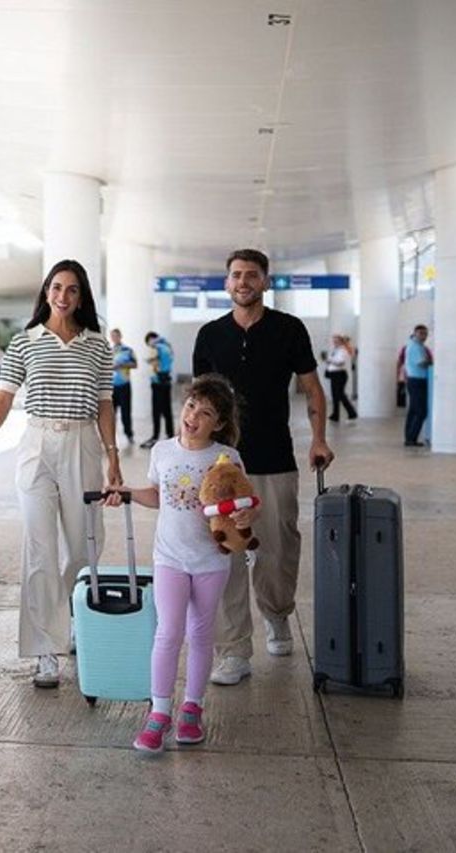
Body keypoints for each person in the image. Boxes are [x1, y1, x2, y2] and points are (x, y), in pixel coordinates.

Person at [0, 259, 121, 688]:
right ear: (46, 292)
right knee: (39, 549)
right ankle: (45, 650)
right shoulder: (25, 341)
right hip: (37, 446)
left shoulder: (97, 346)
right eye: (56, 287)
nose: (62, 296)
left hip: (82, 444)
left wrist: (112, 456)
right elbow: (4, 396)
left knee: (84, 545)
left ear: (82, 296)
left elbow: (105, 403)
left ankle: (70, 618)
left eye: (72, 289)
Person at [191, 248, 333, 686]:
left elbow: (312, 389)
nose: (243, 282)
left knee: (277, 549)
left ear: (266, 282)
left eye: (252, 275)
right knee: (227, 554)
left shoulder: (289, 329)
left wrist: (319, 439)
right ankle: (234, 650)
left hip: (274, 458)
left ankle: (276, 614)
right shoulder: (210, 335)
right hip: (221, 465)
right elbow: (198, 402)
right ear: (227, 283)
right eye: (236, 275)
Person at [105, 375, 257, 754]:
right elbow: (158, 495)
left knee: (201, 635)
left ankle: (192, 709)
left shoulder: (227, 458)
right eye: (191, 406)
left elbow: (244, 503)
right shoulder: (162, 451)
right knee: (168, 632)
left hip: (210, 562)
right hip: (170, 558)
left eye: (205, 413)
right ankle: (159, 713)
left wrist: (245, 517)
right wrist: (127, 493)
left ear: (219, 424)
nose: (193, 417)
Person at [140, 331, 175, 448]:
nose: (149, 345)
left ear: (151, 339)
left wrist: (149, 361)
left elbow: (154, 361)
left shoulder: (156, 347)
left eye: (148, 342)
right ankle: (170, 435)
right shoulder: (167, 346)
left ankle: (155, 437)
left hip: (158, 382)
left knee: (156, 411)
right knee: (167, 410)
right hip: (166, 381)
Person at [404, 324, 433, 447]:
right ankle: (411, 438)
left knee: (413, 411)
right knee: (421, 411)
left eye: (425, 334)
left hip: (415, 380)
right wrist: (432, 362)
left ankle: (409, 437)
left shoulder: (419, 346)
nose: (424, 336)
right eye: (421, 333)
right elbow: (421, 363)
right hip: (417, 381)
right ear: (415, 333)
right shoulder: (414, 346)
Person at [109, 328, 138, 445]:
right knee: (111, 414)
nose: (114, 338)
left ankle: (129, 434)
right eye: (112, 336)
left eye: (116, 335)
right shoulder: (109, 351)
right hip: (111, 387)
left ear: (120, 336)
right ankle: (110, 437)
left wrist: (122, 365)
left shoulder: (128, 350)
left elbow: (135, 364)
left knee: (126, 412)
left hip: (124, 385)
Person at [323, 333, 358, 422]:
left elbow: (340, 362)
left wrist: (329, 360)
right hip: (335, 375)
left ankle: (352, 413)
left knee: (340, 395)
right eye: (334, 340)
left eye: (336, 340)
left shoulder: (343, 350)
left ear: (341, 341)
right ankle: (335, 415)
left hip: (339, 375)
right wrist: (328, 360)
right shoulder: (336, 350)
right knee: (336, 395)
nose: (334, 342)